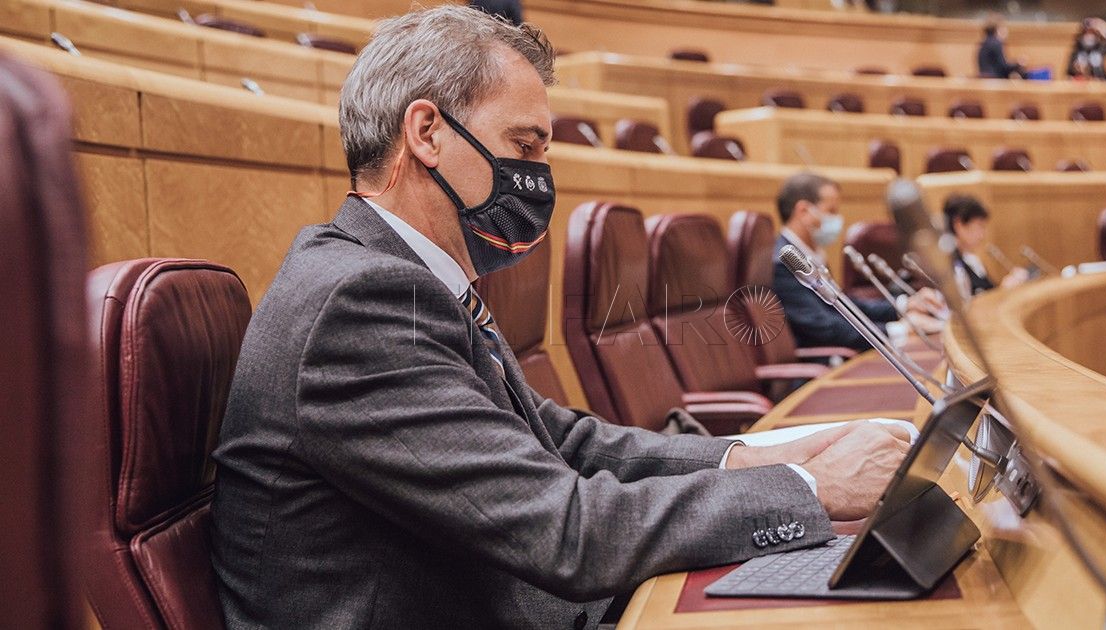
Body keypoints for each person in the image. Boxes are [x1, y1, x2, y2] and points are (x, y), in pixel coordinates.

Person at [211, 8, 912, 629]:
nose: (541, 175)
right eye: (525, 146)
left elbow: (566, 443)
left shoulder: (401, 279)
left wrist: (769, 457)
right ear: (426, 131)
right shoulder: (359, 302)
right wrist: (816, 491)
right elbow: (564, 530)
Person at [772, 172, 943, 352]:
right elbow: (822, 326)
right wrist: (900, 330)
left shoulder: (809, 254)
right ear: (803, 211)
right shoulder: (784, 263)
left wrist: (904, 305)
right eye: (831, 211)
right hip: (823, 364)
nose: (837, 219)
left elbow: (845, 305)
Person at [942, 194, 1028, 295]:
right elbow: (966, 305)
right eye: (980, 226)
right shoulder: (946, 265)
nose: (982, 235)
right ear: (959, 225)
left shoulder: (972, 260)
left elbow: (989, 291)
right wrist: (1003, 291)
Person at [977, 14, 1025, 79]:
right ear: (998, 29)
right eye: (1004, 28)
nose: (1006, 31)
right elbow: (1003, 67)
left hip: (984, 79)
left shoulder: (984, 42)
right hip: (994, 81)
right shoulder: (996, 43)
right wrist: (1018, 63)